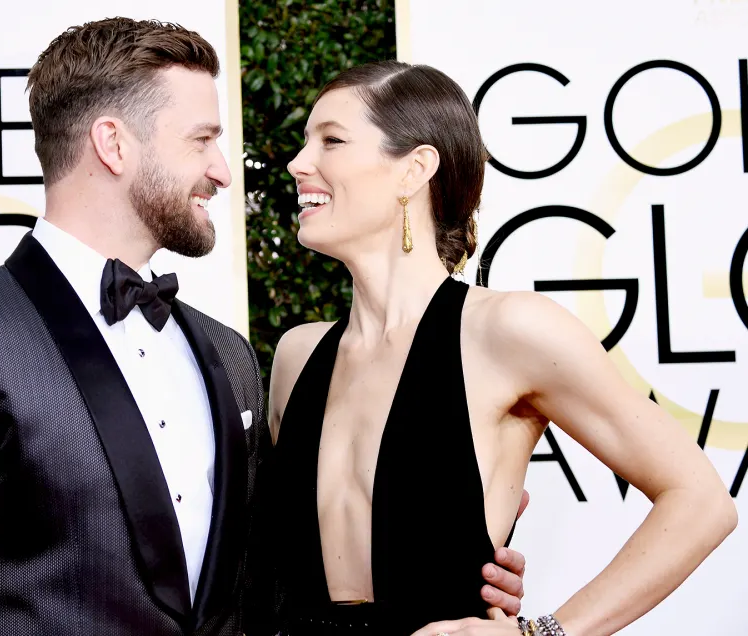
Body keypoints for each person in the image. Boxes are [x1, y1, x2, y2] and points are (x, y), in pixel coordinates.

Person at [0, 19, 529, 636]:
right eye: (202, 140)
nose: (221, 170)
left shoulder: (226, 355)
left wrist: (460, 559)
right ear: (113, 143)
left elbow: (267, 579)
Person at [263, 60, 739, 636]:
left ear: (414, 169)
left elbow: (701, 502)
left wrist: (542, 633)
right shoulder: (298, 356)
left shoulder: (507, 332)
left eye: (331, 141)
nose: (298, 163)